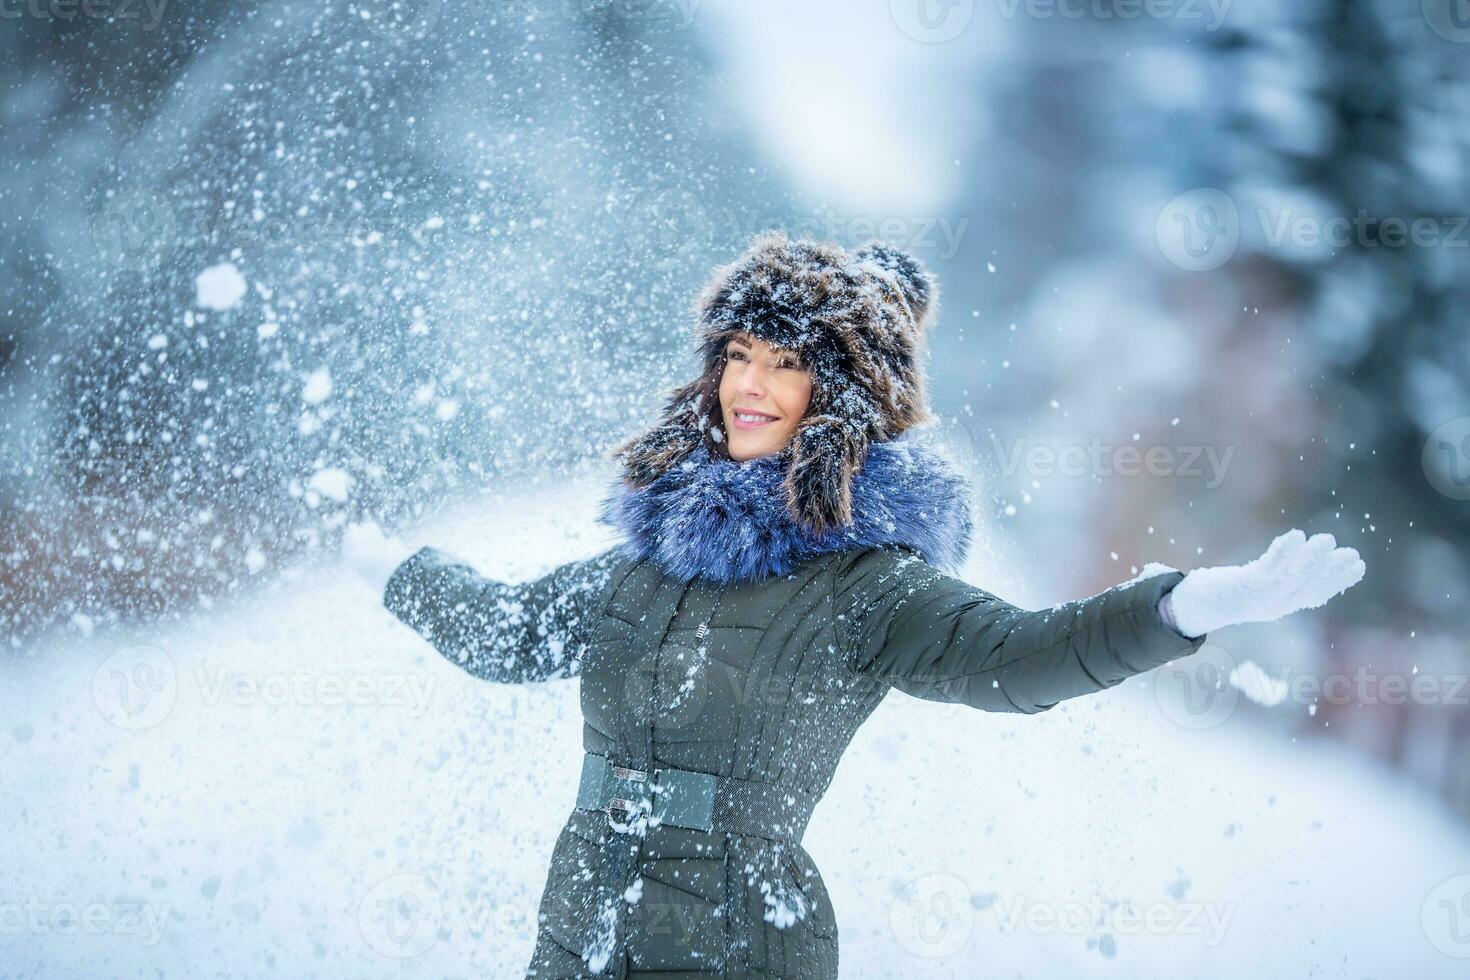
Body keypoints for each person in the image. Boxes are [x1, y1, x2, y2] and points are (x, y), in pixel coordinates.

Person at [343, 230, 1365, 978]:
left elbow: (1020, 659)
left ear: (837, 396)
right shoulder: (642, 563)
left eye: (786, 362)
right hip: (575, 941)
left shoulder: (868, 589)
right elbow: (514, 629)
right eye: (737, 354)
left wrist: (1184, 604)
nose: (749, 382)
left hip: (741, 949)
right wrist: (396, 569)